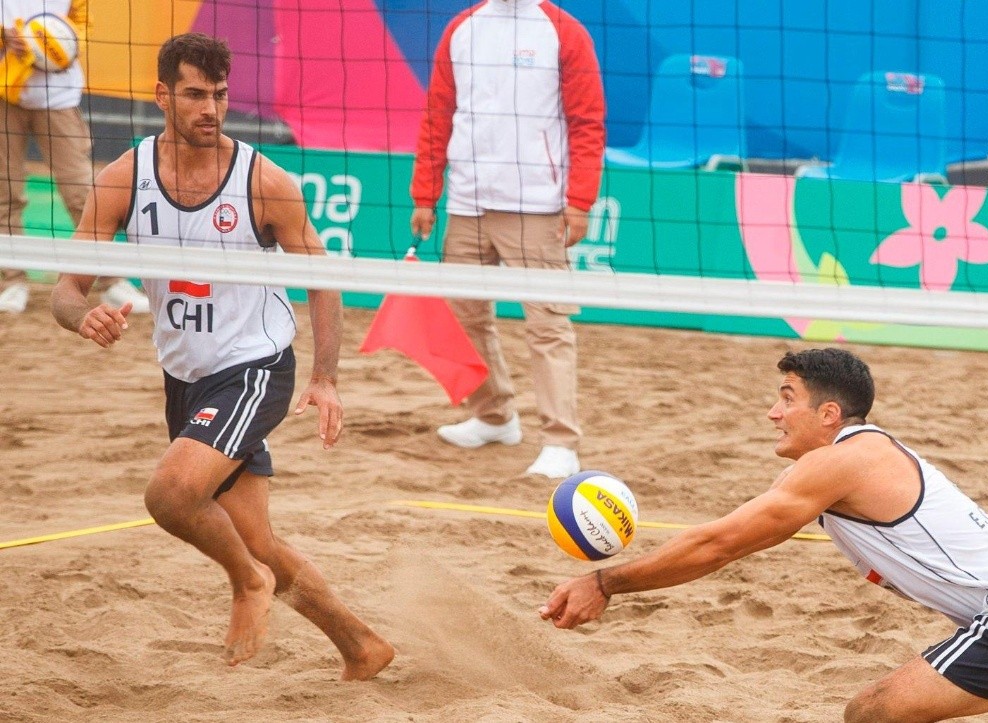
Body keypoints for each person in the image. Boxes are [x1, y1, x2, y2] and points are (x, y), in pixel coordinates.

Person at [541, 348, 988, 722]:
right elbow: (720, 537)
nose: (771, 413)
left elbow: (719, 544)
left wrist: (606, 580)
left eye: (786, 399)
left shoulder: (841, 462)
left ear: (830, 414)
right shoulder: (853, 457)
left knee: (873, 712)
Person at [50, 33, 393, 680]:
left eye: (221, 94)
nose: (212, 108)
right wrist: (82, 315)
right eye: (196, 94)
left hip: (256, 369)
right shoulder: (123, 177)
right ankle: (362, 644)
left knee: (171, 493)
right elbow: (65, 289)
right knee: (257, 538)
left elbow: (323, 277)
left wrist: (324, 377)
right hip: (185, 378)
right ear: (162, 96)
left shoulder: (265, 181)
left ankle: (246, 585)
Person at [410, 0, 606, 479]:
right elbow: (438, 114)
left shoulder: (563, 30)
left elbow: (587, 122)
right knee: (465, 318)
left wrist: (579, 201)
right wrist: (425, 192)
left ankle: (561, 442)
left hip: (538, 205)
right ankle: (494, 416)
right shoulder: (463, 27)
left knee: (548, 326)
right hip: (467, 200)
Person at [0, 0, 148, 314]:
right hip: (4, 90)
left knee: (83, 193)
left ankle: (110, 280)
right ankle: (11, 281)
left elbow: (81, 24)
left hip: (58, 95)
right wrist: (3, 36)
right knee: (5, 193)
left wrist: (66, 46)